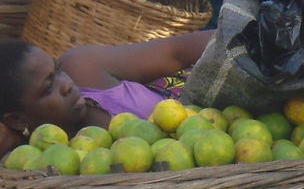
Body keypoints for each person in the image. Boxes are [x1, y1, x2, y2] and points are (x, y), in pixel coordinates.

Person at [0, 30, 213, 157]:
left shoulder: (83, 67)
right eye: (48, 89)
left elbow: (174, 52)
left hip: (218, 98)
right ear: (18, 119)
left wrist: (241, 39)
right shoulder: (46, 164)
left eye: (58, 70)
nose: (66, 84)